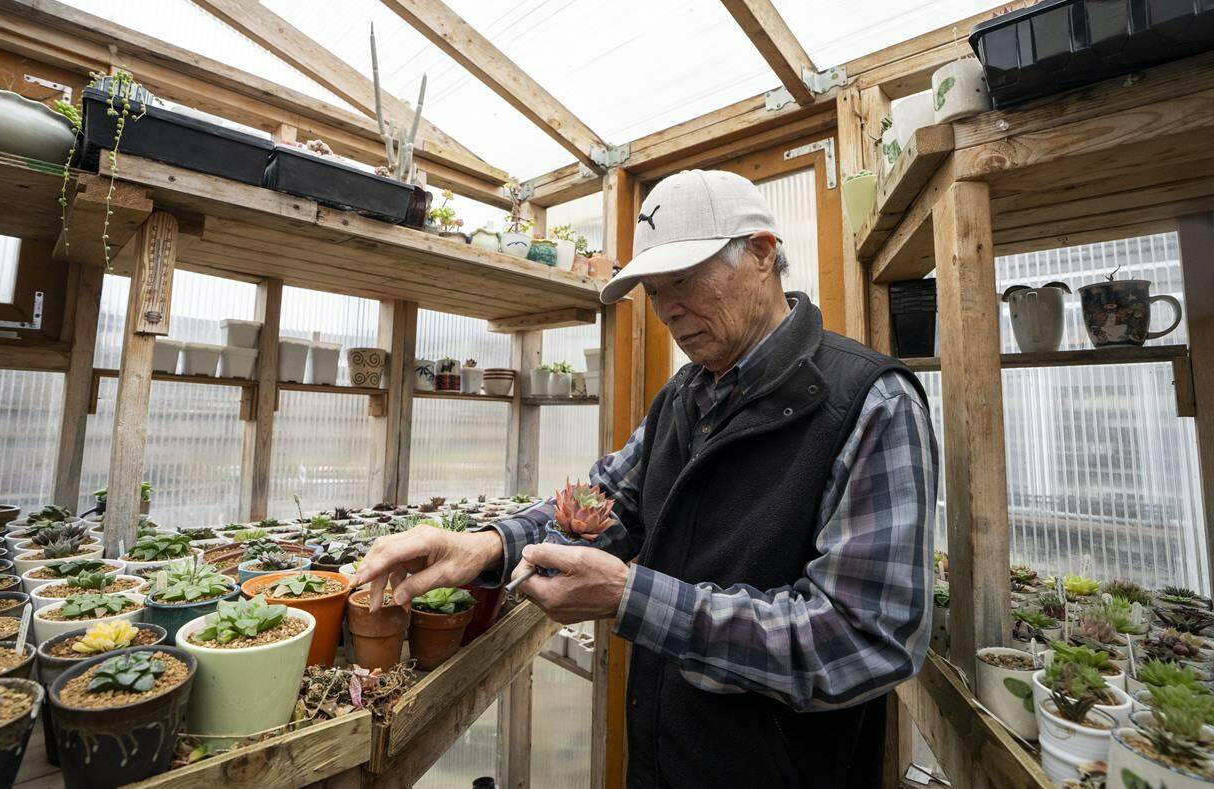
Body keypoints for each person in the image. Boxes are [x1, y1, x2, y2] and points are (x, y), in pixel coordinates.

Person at [352, 169, 938, 787]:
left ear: (762, 255)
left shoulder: (869, 404)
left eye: (684, 280)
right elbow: (607, 501)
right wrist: (488, 545)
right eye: (654, 291)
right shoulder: (685, 396)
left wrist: (635, 598)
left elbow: (865, 639)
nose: (667, 310)